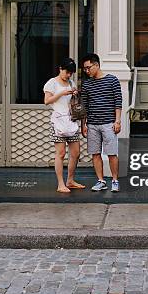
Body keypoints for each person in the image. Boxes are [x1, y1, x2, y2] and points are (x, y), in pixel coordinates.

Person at [81, 53, 122, 192]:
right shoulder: (87, 84)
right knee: (95, 153)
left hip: (108, 123)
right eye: (85, 69)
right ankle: (101, 181)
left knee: (111, 154)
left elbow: (118, 102)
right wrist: (83, 124)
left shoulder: (112, 80)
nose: (87, 71)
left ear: (96, 65)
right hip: (92, 124)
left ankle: (115, 181)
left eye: (88, 68)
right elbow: (84, 106)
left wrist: (117, 121)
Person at [43, 58, 85, 193]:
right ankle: (60, 184)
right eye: (67, 72)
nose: (68, 75)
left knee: (76, 153)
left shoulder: (71, 82)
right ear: (60, 69)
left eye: (71, 73)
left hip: (71, 120)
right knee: (60, 154)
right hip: (58, 122)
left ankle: (70, 180)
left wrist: (75, 94)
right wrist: (61, 93)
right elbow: (47, 101)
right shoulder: (52, 83)